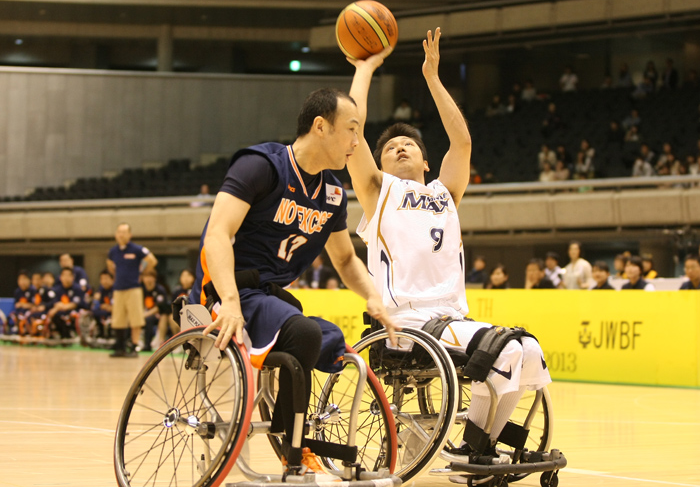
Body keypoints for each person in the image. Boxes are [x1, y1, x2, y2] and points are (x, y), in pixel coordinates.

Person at [346, 27, 550, 460]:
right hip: (408, 324)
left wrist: (433, 79)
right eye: (390, 148)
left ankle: (478, 446)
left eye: (409, 145)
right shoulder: (378, 193)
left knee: (527, 348)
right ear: (380, 165)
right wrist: (363, 71)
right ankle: (473, 449)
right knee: (506, 348)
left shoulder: (445, 193)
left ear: (425, 159)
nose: (400, 148)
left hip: (451, 319)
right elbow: (353, 133)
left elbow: (462, 140)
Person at [189, 67, 395, 476]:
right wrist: (228, 301)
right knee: (303, 331)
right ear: (321, 126)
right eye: (351, 130)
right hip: (231, 291)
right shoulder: (261, 165)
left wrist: (374, 295)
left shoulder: (333, 193)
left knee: (332, 337)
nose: (358, 141)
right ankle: (291, 441)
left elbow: (346, 260)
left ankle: (296, 430)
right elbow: (218, 234)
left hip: (271, 297)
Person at [107, 222, 158, 358]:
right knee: (118, 319)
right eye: (119, 232)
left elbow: (152, 260)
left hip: (133, 288)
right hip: (118, 289)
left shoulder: (136, 249)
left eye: (124, 232)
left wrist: (142, 272)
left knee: (136, 319)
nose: (121, 235)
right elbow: (109, 264)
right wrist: (114, 273)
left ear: (130, 234)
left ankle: (134, 347)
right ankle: (120, 347)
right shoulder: (113, 251)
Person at [47, 267, 85, 341]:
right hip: (61, 312)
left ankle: (71, 333)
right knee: (53, 315)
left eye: (68, 275)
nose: (66, 278)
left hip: (74, 312)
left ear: (73, 277)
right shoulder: (57, 289)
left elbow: (74, 304)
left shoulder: (77, 288)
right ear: (60, 277)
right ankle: (62, 335)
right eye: (64, 275)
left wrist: (59, 308)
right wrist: (56, 308)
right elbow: (55, 303)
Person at [140, 270, 168, 352]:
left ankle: (149, 344)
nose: (148, 279)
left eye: (150, 277)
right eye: (145, 277)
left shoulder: (160, 290)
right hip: (143, 313)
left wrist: (145, 314)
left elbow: (160, 307)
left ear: (154, 278)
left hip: (157, 315)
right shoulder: (141, 290)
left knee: (149, 319)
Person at [8, 270, 35, 335]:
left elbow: (34, 305)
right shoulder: (17, 291)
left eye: (24, 279)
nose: (22, 282)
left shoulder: (33, 290)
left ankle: (28, 332)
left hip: (29, 313)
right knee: (11, 316)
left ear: (29, 280)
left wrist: (23, 305)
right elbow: (16, 305)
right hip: (19, 312)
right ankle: (13, 331)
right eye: (20, 279)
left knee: (26, 315)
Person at [91, 270, 115, 342]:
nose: (104, 281)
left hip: (114, 313)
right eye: (102, 279)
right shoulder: (101, 290)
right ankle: (100, 333)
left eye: (106, 278)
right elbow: (96, 305)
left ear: (112, 279)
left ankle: (111, 334)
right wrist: (95, 300)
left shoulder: (116, 290)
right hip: (104, 312)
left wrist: (110, 307)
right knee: (95, 312)